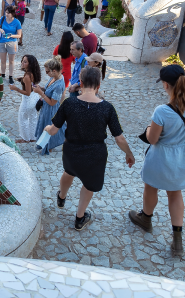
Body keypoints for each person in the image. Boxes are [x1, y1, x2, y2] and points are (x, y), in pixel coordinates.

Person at [129, 64, 185, 256]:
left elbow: (152, 139)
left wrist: (149, 129)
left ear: (165, 85)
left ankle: (146, 219)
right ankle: (177, 241)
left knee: (150, 187)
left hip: (162, 158)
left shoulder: (162, 111)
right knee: (175, 194)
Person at [45, 67, 135, 231]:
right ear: (99, 85)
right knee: (88, 185)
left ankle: (62, 197)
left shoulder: (69, 103)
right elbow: (119, 138)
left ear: (81, 83)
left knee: (69, 172)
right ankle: (80, 218)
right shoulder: (107, 108)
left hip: (72, 150)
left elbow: (53, 130)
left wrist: (46, 129)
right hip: (95, 155)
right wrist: (129, 153)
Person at [34, 56, 66, 154]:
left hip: (51, 110)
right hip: (46, 108)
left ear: (54, 71)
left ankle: (49, 147)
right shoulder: (54, 77)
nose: (46, 73)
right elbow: (49, 90)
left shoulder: (59, 84)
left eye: (47, 71)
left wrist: (40, 93)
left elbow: (53, 102)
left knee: (51, 128)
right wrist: (42, 88)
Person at [10, 55, 41, 142]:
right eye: (22, 61)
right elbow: (31, 85)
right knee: (32, 118)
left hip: (28, 100)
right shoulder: (32, 73)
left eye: (25, 62)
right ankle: (32, 137)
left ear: (30, 64)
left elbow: (27, 93)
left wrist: (16, 88)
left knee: (22, 118)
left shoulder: (27, 76)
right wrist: (22, 80)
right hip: (35, 97)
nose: (22, 63)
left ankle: (25, 138)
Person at [0, 6, 22, 85]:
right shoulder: (3, 18)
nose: (6, 14)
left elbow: (19, 35)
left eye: (8, 13)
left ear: (12, 14)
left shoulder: (17, 22)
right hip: (2, 42)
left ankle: (10, 76)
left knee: (11, 61)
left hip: (12, 43)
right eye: (6, 12)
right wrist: (0, 29)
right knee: (3, 61)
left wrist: (11, 35)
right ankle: (3, 74)